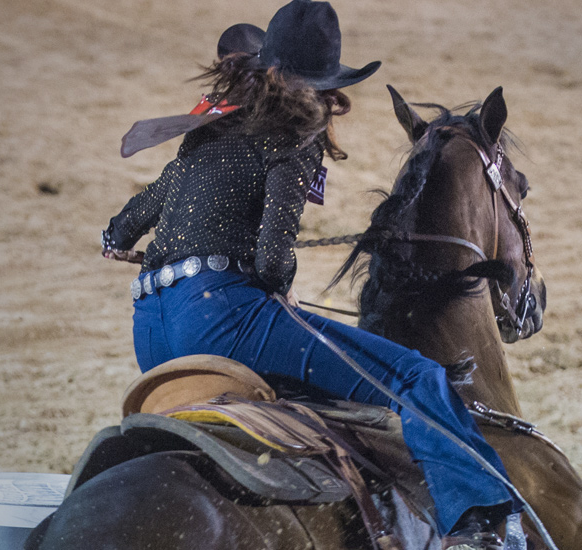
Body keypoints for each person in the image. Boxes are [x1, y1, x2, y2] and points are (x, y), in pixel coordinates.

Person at [100, 2, 517, 549]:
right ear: (325, 85)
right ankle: (480, 525)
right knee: (417, 379)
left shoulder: (211, 126)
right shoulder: (294, 140)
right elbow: (273, 255)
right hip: (221, 320)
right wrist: (279, 286)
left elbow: (132, 218)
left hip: (151, 332)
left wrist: (117, 241)